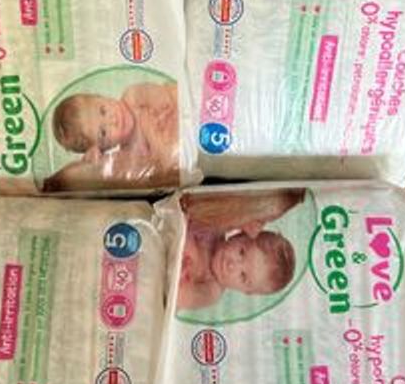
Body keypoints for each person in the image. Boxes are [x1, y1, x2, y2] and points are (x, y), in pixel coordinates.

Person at [177, 188, 305, 311]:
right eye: (241, 252)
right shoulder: (215, 229)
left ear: (246, 291)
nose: (232, 265)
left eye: (243, 276)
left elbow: (178, 297)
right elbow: (182, 210)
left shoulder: (211, 290)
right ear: (239, 235)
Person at [42, 81, 179, 191]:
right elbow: (152, 164)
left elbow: (155, 93)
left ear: (102, 96)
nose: (112, 120)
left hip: (177, 108)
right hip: (179, 141)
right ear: (104, 147)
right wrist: (95, 160)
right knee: (166, 164)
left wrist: (162, 105)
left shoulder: (131, 96)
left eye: (103, 111)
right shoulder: (130, 151)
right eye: (103, 132)